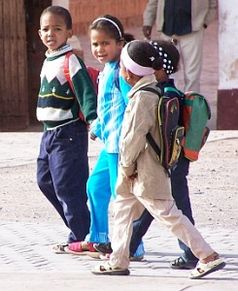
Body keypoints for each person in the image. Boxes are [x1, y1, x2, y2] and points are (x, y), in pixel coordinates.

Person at [91, 40, 225, 279]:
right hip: (141, 170)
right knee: (122, 210)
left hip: (142, 171)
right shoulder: (153, 90)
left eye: (122, 65)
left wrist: (126, 166)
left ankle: (207, 255)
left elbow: (132, 138)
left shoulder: (142, 98)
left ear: (129, 72)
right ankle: (118, 260)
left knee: (169, 215)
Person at [65, 15, 144, 259]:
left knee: (122, 198)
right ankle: (99, 239)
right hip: (108, 145)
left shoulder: (123, 72)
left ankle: (132, 246)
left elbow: (133, 103)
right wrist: (97, 127)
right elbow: (108, 107)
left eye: (105, 43)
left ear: (120, 44)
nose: (100, 49)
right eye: (95, 44)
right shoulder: (107, 69)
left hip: (120, 146)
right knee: (95, 187)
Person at [129, 40, 198, 269]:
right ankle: (129, 245)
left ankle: (192, 253)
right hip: (175, 160)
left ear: (159, 69)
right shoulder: (170, 91)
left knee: (176, 206)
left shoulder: (163, 95)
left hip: (170, 162)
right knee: (153, 202)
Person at [36, 5, 97, 251]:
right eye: (46, 29)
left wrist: (93, 120)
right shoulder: (48, 60)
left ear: (69, 32)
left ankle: (83, 237)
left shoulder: (71, 61)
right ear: (39, 33)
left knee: (68, 185)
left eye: (57, 29)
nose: (51, 33)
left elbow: (85, 93)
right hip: (48, 133)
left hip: (69, 133)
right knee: (45, 181)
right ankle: (81, 229)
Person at [142, 0, 217, 92]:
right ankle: (170, 99)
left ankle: (191, 103)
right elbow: (153, 2)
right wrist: (147, 22)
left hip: (192, 31)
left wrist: (205, 22)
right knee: (168, 71)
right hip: (167, 32)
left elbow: (213, 5)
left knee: (192, 74)